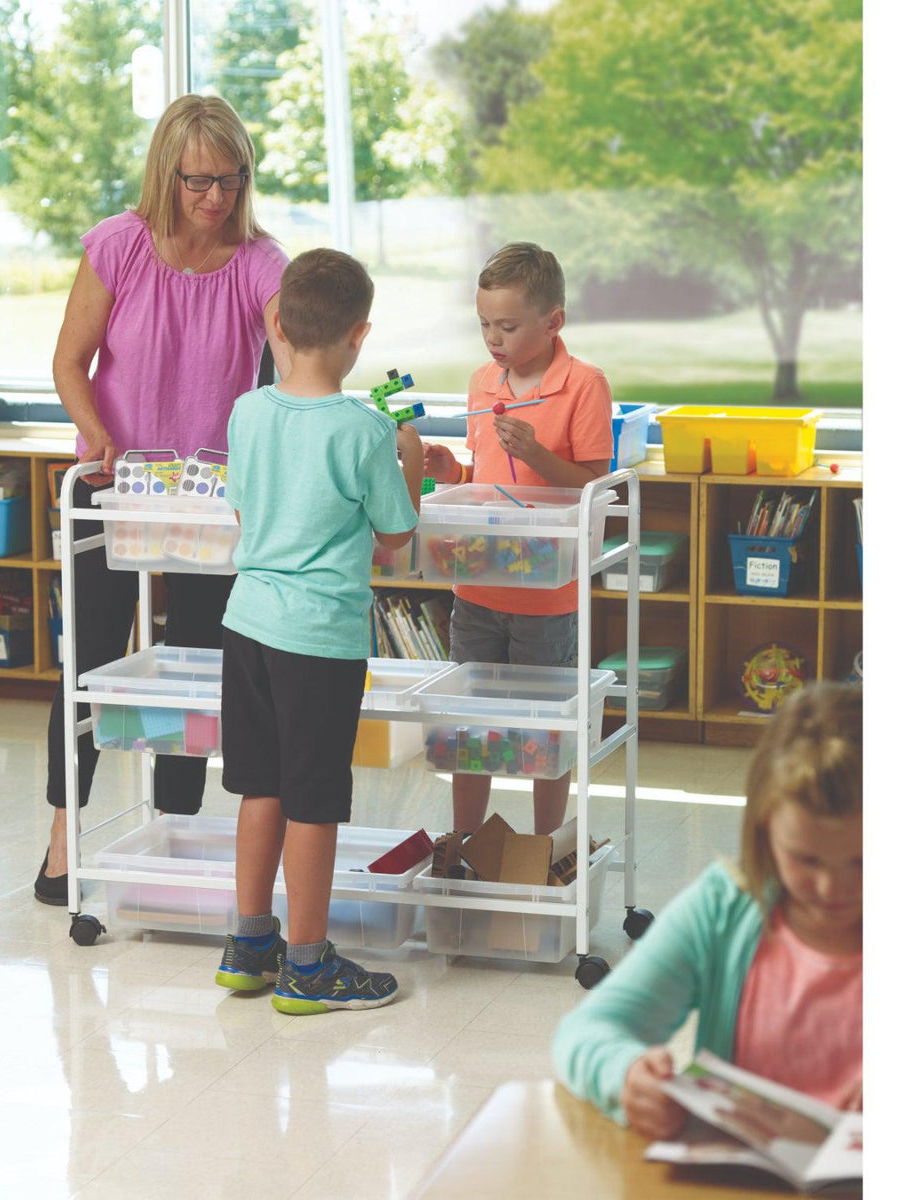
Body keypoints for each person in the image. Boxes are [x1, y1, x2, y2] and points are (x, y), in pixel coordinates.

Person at [34, 94, 292, 904]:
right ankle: (62, 841)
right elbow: (71, 361)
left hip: (214, 501)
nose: (216, 198)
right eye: (197, 182)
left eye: (231, 179)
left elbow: (294, 360)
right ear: (166, 174)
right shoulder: (118, 247)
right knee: (91, 663)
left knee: (198, 668)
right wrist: (95, 433)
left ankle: (174, 833)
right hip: (116, 489)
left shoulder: (260, 263)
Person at [213, 249, 423, 1013]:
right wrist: (409, 458)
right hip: (319, 641)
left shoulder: (247, 410)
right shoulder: (364, 429)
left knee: (259, 786)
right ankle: (307, 966)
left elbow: (245, 513)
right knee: (315, 802)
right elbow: (395, 537)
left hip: (248, 625)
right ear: (358, 336)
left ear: (276, 321)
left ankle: (250, 943)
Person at [552, 683, 863, 1136]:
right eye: (806, 859)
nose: (832, 887)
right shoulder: (727, 906)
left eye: (862, 859)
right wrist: (628, 1077)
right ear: (764, 832)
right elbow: (585, 1031)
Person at [421, 242, 614, 836]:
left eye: (507, 325)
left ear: (552, 321)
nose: (493, 339)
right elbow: (485, 479)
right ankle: (463, 841)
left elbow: (593, 488)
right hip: (478, 584)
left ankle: (542, 845)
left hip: (546, 599)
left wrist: (536, 452)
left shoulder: (584, 385)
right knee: (468, 727)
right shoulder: (483, 381)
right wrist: (452, 471)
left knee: (545, 732)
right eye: (484, 324)